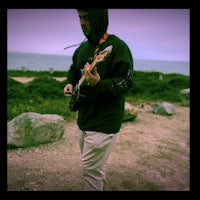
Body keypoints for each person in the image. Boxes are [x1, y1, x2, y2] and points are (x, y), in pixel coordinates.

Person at [63, 9, 134, 191]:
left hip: (105, 120)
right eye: (80, 17)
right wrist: (70, 83)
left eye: (87, 18)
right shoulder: (82, 48)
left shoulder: (117, 47)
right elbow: (73, 69)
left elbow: (126, 82)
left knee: (90, 170)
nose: (82, 23)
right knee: (95, 169)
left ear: (98, 18)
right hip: (84, 118)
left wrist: (99, 83)